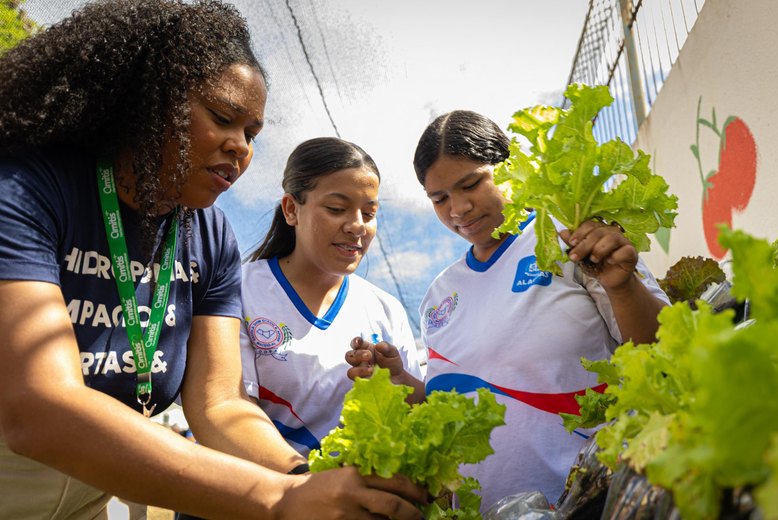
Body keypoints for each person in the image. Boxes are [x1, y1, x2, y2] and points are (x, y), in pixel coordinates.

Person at [0, 1, 426, 518]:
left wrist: (304, 478)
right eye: (223, 118)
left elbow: (218, 406)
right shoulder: (26, 189)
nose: (241, 147)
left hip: (99, 490)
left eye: (252, 133)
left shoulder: (210, 234)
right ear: (147, 102)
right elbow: (37, 410)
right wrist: (278, 499)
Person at [347, 109, 669, 511]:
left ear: (510, 167)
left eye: (471, 184)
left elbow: (662, 353)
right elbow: (458, 405)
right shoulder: (440, 295)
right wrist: (399, 380)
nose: (458, 209)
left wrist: (621, 287)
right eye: (439, 198)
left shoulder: (570, 238)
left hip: (593, 501)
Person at [240, 137, 424, 458]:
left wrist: (396, 380)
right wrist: (305, 486)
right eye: (337, 209)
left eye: (369, 214)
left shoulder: (385, 310)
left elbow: (417, 418)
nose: (356, 226)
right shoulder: (239, 290)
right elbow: (228, 413)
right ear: (291, 209)